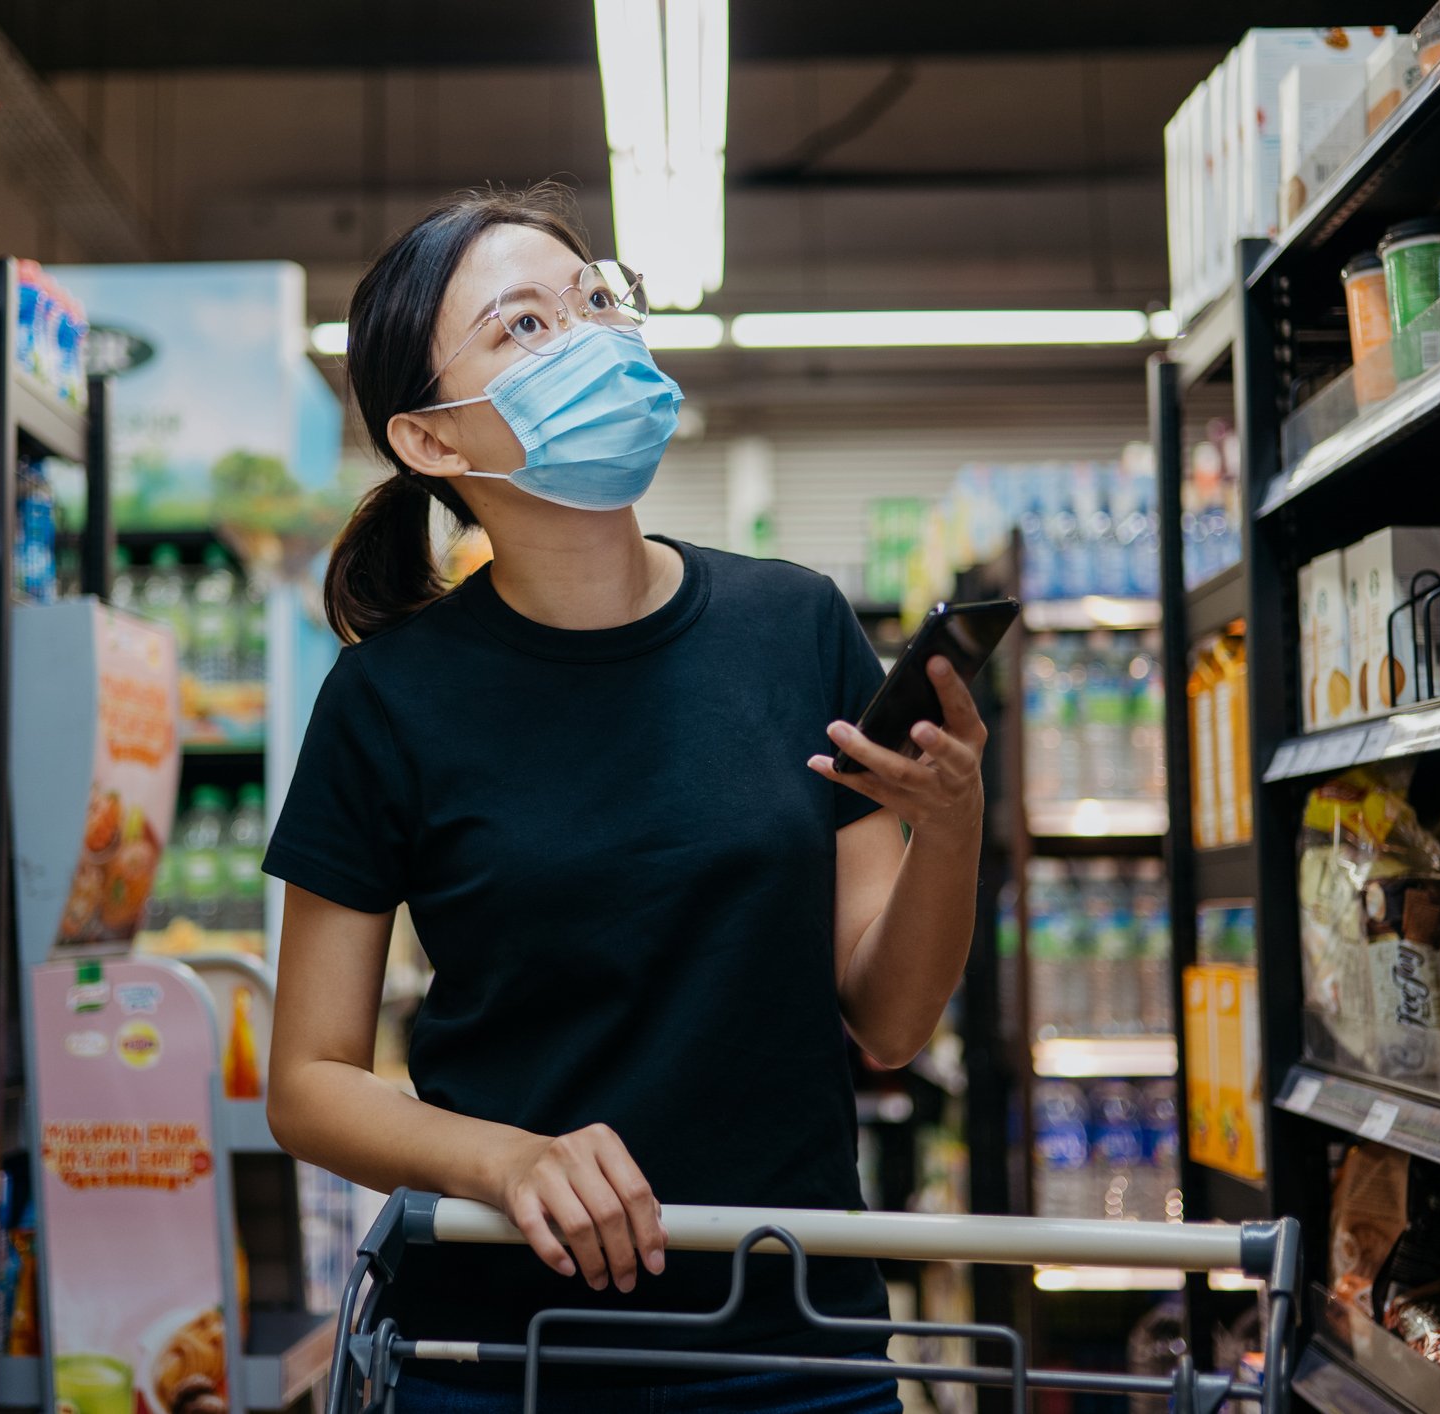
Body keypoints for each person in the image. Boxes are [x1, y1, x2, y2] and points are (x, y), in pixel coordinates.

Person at [264, 184, 986, 1414]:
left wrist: (954, 821)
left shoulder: (795, 624)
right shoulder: (388, 699)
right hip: (502, 1350)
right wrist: (509, 1159)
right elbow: (310, 1079)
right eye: (528, 326)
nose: (594, 334)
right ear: (434, 440)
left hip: (791, 1333)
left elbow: (891, 1018)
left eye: (599, 298)